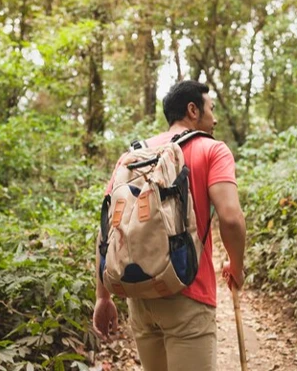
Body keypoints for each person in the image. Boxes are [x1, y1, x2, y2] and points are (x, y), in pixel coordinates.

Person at [92, 80, 246, 371]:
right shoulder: (213, 150)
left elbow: (106, 229)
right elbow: (231, 218)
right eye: (211, 109)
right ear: (192, 110)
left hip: (140, 295)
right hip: (187, 293)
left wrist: (103, 296)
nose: (214, 118)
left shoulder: (132, 156)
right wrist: (236, 267)